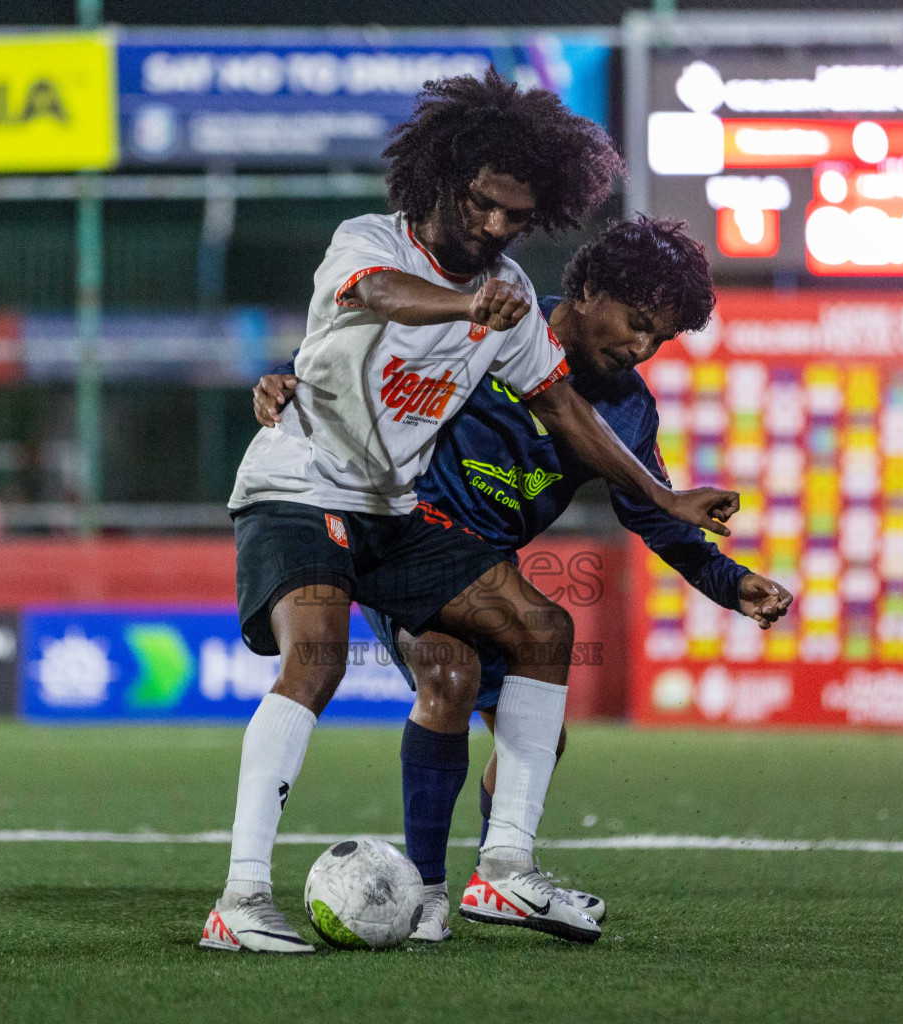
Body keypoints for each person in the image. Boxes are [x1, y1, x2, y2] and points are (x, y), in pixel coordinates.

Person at [200, 72, 742, 954]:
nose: (495, 228)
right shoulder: (367, 241)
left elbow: (568, 411)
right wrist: (464, 305)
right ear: (443, 182)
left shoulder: (516, 299)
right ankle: (241, 900)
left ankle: (506, 870)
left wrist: (661, 494)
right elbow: (379, 297)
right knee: (320, 657)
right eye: (483, 205)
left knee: (543, 629)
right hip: (302, 481)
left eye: (516, 218)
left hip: (395, 507)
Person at [253, 216, 794, 941]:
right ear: (591, 287)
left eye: (659, 338)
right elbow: (362, 356)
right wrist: (286, 374)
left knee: (536, 733)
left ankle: (502, 874)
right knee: (451, 671)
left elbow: (652, 512)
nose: (640, 347)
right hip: (403, 537)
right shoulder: (498, 318)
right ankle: (428, 894)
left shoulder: (628, 408)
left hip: (484, 569)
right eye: (635, 323)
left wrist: (732, 582)